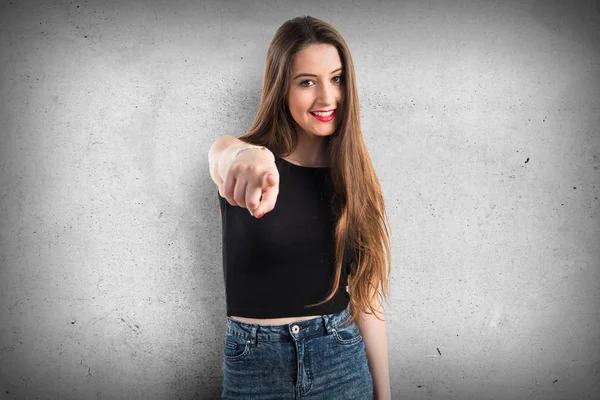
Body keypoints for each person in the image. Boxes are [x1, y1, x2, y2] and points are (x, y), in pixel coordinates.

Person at [208, 15, 392, 400]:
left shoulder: (356, 177)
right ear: (282, 88)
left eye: (337, 78)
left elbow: (367, 296)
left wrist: (384, 394)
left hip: (340, 357)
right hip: (254, 365)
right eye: (307, 82)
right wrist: (249, 156)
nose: (327, 98)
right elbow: (222, 156)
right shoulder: (247, 159)